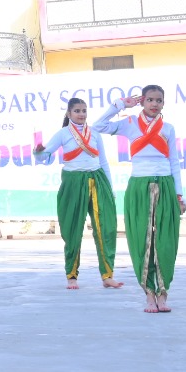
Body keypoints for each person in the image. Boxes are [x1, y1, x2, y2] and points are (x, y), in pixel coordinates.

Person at [93, 86, 186, 313]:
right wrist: (120, 105)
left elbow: (174, 162)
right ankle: (149, 294)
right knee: (141, 240)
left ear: (163, 103)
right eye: (150, 100)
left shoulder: (168, 128)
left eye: (159, 100)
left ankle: (163, 293)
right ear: (142, 101)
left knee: (166, 240)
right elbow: (97, 126)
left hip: (165, 185)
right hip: (139, 186)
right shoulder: (130, 123)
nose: (154, 104)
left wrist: (179, 195)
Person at [35, 97, 123, 290]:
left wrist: (110, 187)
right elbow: (44, 156)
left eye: (84, 111)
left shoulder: (95, 133)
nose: (81, 114)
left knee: (106, 228)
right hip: (73, 182)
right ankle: (72, 276)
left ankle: (107, 275)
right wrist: (39, 152)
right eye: (77, 111)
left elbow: (103, 162)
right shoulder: (63, 134)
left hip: (97, 180)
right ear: (69, 113)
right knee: (72, 229)